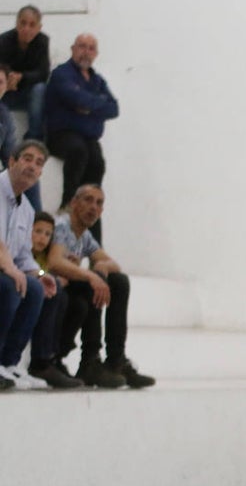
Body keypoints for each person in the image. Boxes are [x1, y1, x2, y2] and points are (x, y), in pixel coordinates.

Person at [46, 184, 154, 389]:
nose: (93, 207)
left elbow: (113, 264)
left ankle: (116, 359)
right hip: (53, 288)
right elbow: (54, 262)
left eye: (99, 203)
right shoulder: (62, 225)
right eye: (87, 200)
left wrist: (102, 265)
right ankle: (90, 359)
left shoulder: (84, 235)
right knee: (93, 282)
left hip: (71, 287)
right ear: (74, 203)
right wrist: (91, 275)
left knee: (118, 281)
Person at [44, 33, 118, 241]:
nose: (86, 52)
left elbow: (113, 108)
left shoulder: (97, 80)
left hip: (88, 140)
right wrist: (96, 105)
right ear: (73, 49)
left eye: (90, 48)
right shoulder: (62, 74)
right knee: (78, 150)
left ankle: (95, 248)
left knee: (96, 168)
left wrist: (88, 106)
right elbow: (73, 96)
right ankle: (68, 204)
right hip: (61, 136)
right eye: (82, 46)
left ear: (96, 53)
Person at [0, 139, 54, 390]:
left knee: (35, 287)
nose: (33, 166)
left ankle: (10, 363)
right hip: (3, 270)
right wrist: (10, 268)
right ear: (12, 161)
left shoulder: (28, 210)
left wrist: (40, 273)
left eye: (39, 163)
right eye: (28, 159)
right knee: (10, 284)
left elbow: (23, 255)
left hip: (6, 268)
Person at [27, 209, 81, 388]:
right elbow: (31, 269)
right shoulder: (24, 251)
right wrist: (47, 276)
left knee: (73, 301)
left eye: (48, 234)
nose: (42, 238)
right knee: (57, 291)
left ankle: (54, 356)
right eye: (38, 232)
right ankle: (41, 361)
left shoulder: (45, 255)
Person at [0, 5, 49, 141]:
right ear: (16, 23)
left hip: (28, 96)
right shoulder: (4, 40)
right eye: (23, 23)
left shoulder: (42, 42)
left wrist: (21, 77)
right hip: (7, 94)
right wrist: (9, 78)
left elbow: (43, 73)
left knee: (40, 89)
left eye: (32, 25)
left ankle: (33, 138)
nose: (26, 29)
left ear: (39, 27)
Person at [0, 65, 42, 211]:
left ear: (6, 86)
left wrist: (23, 168)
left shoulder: (4, 116)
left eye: (0, 82)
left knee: (28, 172)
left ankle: (37, 226)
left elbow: (9, 155)